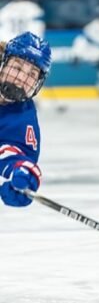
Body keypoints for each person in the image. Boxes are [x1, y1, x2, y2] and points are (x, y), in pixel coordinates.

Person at [0, 31, 52, 207]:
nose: (21, 79)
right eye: (17, 68)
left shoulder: (22, 118)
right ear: (3, 64)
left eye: (31, 75)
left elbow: (13, 152)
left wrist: (21, 171)